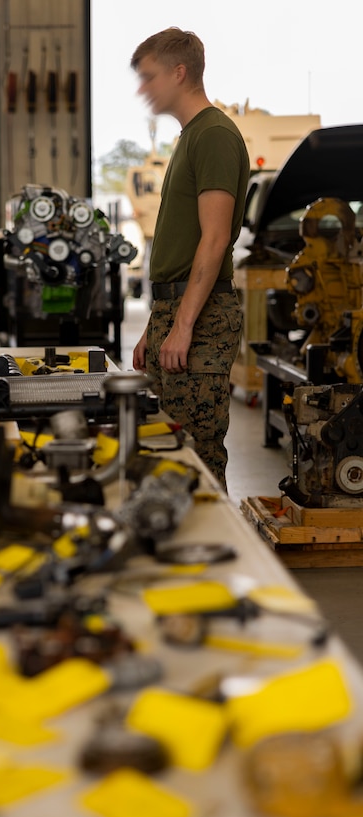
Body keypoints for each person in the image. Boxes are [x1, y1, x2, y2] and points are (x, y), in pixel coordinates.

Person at [131, 29, 249, 490]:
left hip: (200, 320)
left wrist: (181, 325)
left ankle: (220, 559)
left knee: (196, 459)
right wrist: (156, 322)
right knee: (171, 454)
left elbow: (215, 239)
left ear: (179, 73)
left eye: (149, 77)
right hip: (176, 311)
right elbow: (180, 245)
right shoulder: (191, 137)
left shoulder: (214, 135)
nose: (143, 90)